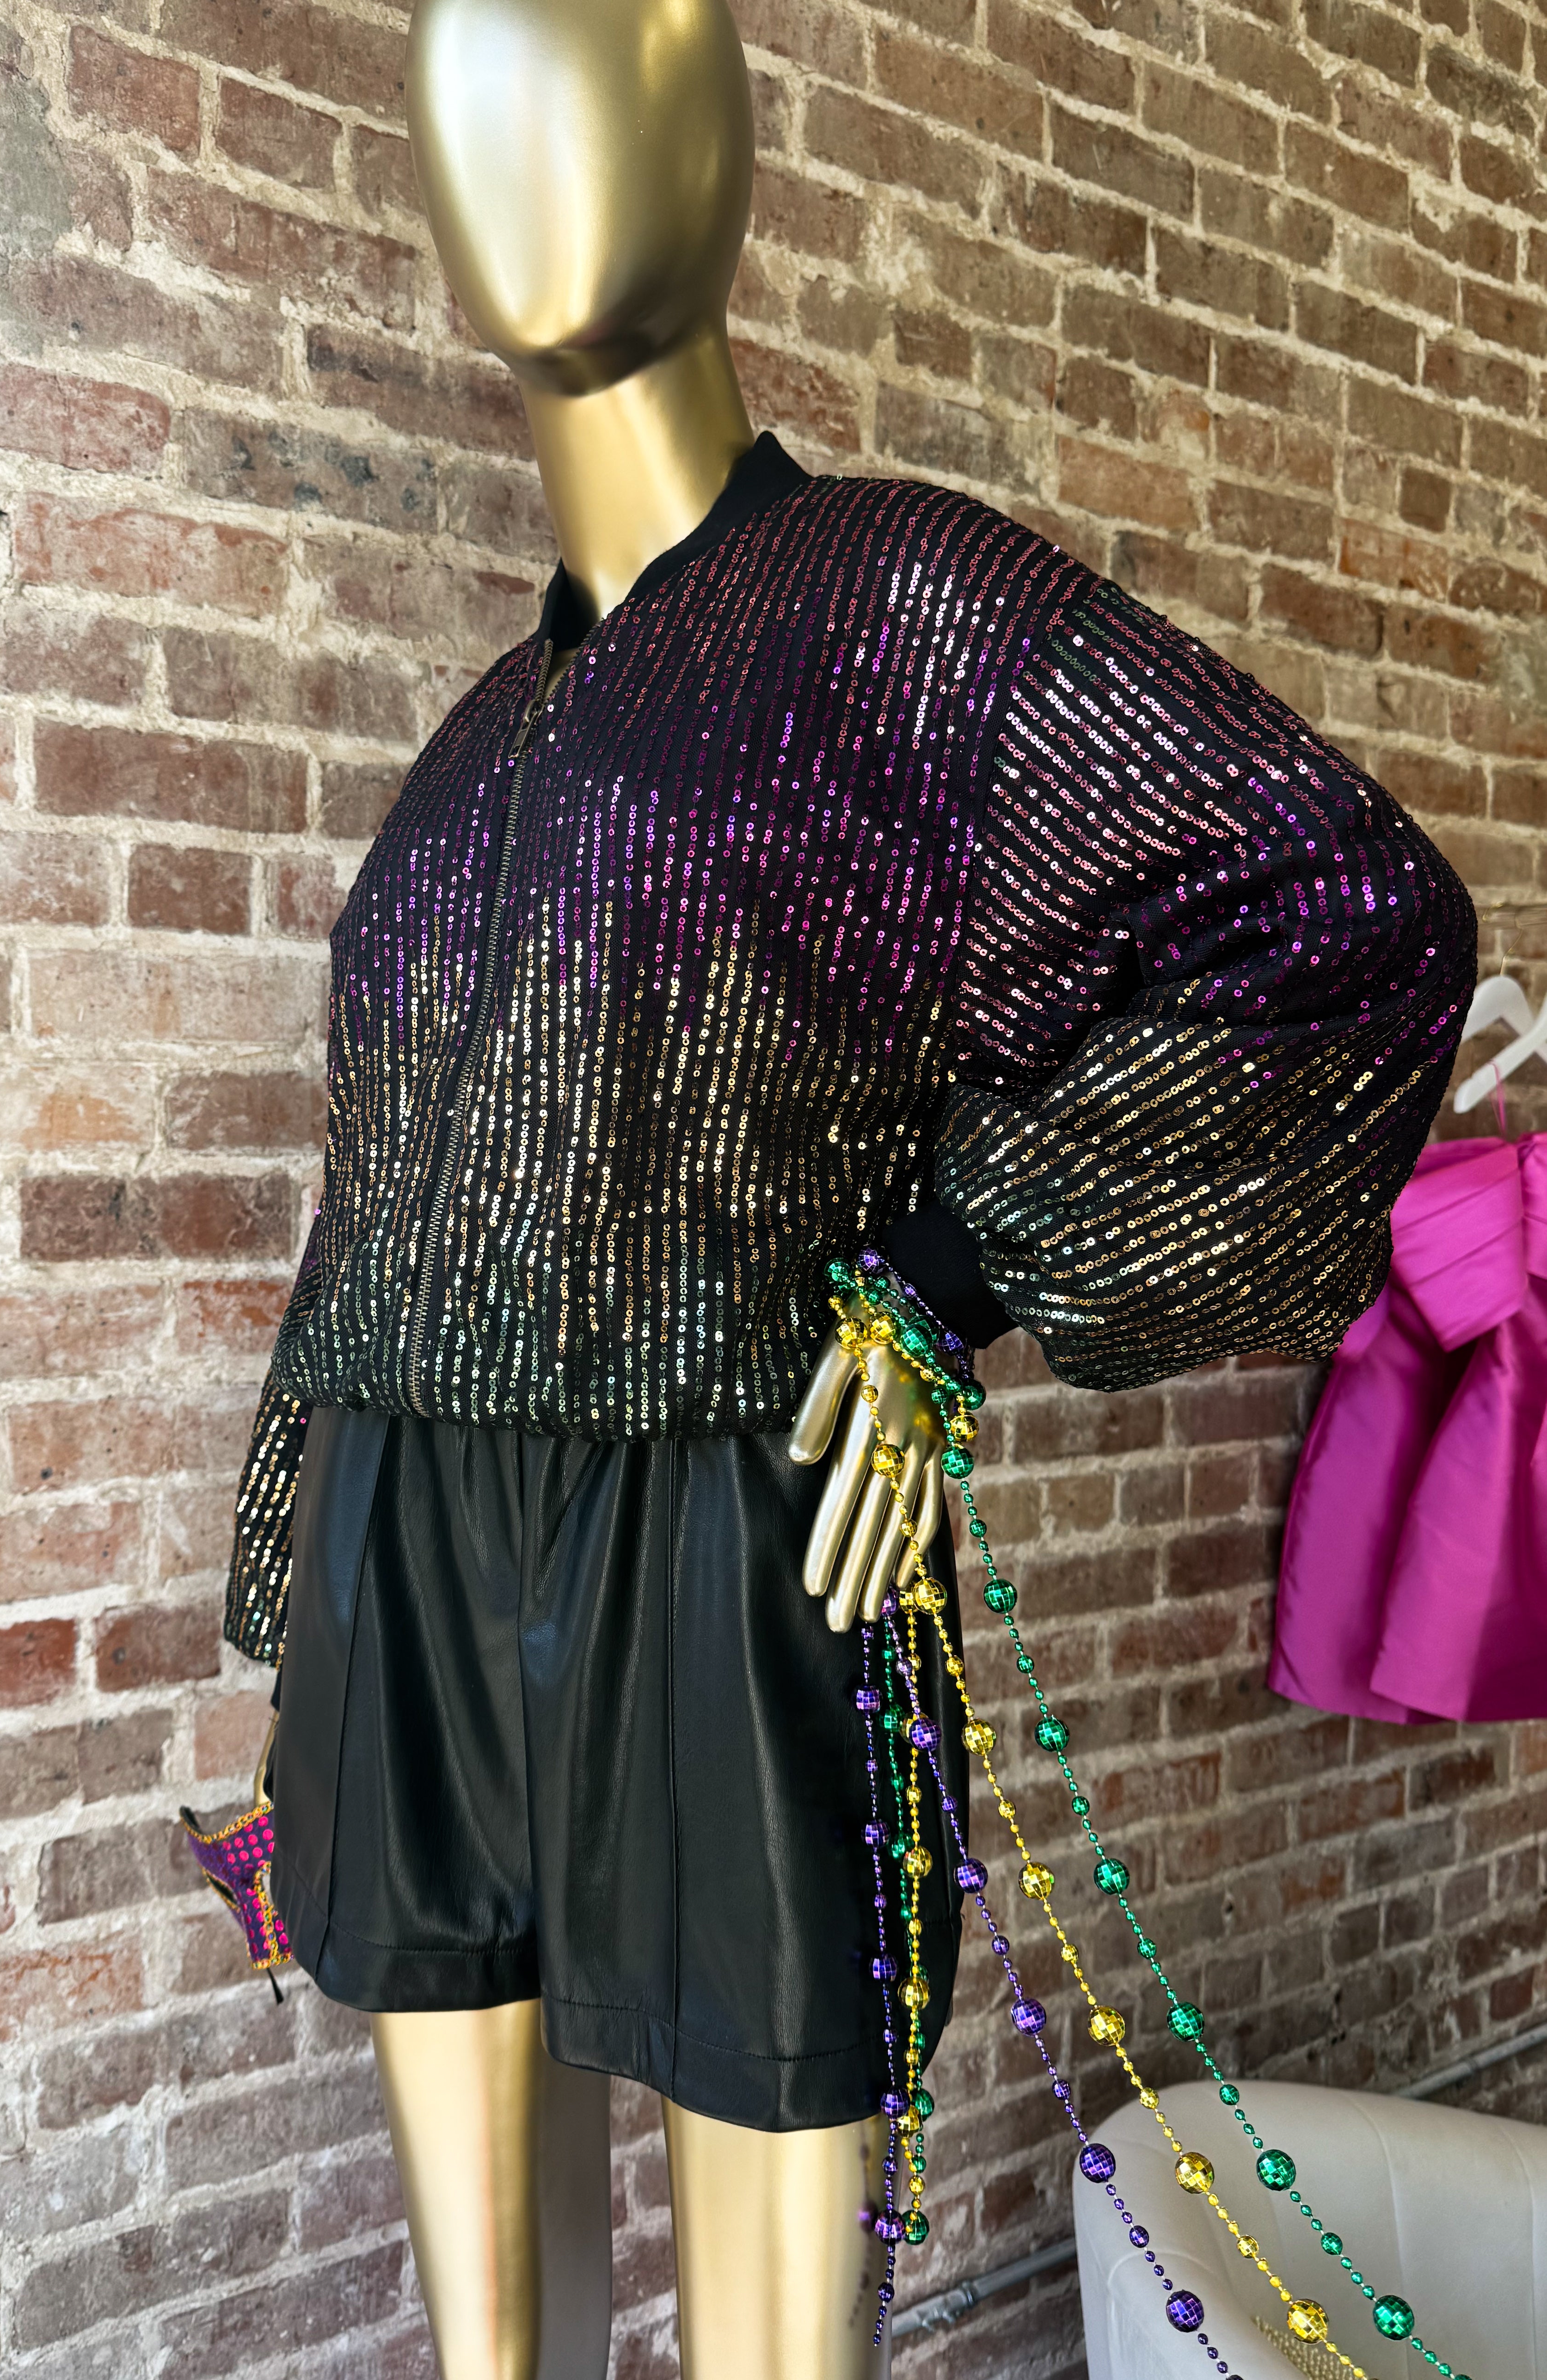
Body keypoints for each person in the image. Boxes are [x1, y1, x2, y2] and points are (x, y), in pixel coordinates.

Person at [222, 2, 1475, 2370]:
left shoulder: (902, 602)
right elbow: (378, 1191)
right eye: (468, 107)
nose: (522, 155)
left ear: (716, 148)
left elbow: (1338, 917)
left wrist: (948, 1269)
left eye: (586, 79)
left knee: (778, 2311)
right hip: (413, 1536)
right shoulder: (477, 742)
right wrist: (305, 1577)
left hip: (733, 1529)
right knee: (491, 2338)